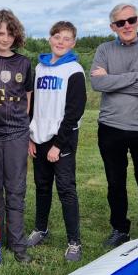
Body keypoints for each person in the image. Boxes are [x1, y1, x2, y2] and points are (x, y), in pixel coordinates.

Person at [90, 4, 138, 249]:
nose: (127, 26)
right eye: (120, 23)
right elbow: (97, 83)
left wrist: (112, 80)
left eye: (130, 20)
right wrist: (136, 75)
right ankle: (119, 228)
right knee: (115, 181)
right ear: (113, 26)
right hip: (111, 127)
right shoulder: (104, 49)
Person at [27, 21, 87, 261]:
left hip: (61, 140)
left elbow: (75, 112)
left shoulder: (74, 70)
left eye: (67, 38)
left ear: (73, 43)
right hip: (39, 138)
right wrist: (30, 137)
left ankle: (74, 242)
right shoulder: (39, 69)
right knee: (42, 187)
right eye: (57, 37)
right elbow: (33, 107)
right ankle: (41, 229)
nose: (61, 42)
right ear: (50, 38)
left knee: (65, 190)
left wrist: (58, 145)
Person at [0, 9, 34, 264]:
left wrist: (21, 124)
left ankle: (18, 244)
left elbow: (27, 97)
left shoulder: (24, 63)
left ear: (16, 35)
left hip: (16, 133)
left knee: (15, 189)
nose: (4, 38)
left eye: (9, 33)